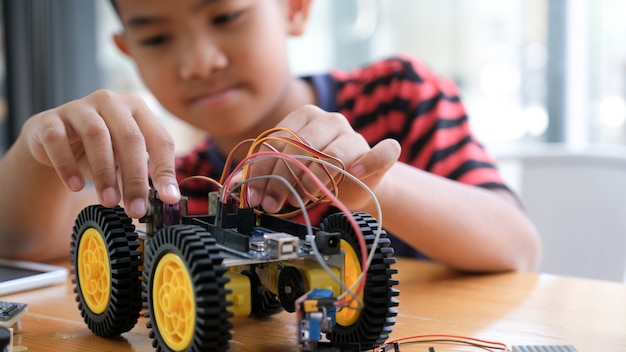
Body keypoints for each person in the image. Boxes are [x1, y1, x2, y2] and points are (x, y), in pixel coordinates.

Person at [0, 0, 540, 272]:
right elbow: (26, 245)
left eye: (226, 15)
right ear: (127, 53)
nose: (198, 62)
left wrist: (375, 184)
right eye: (158, 37)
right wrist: (33, 152)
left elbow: (516, 247)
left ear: (295, 8)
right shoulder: (187, 187)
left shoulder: (398, 95)